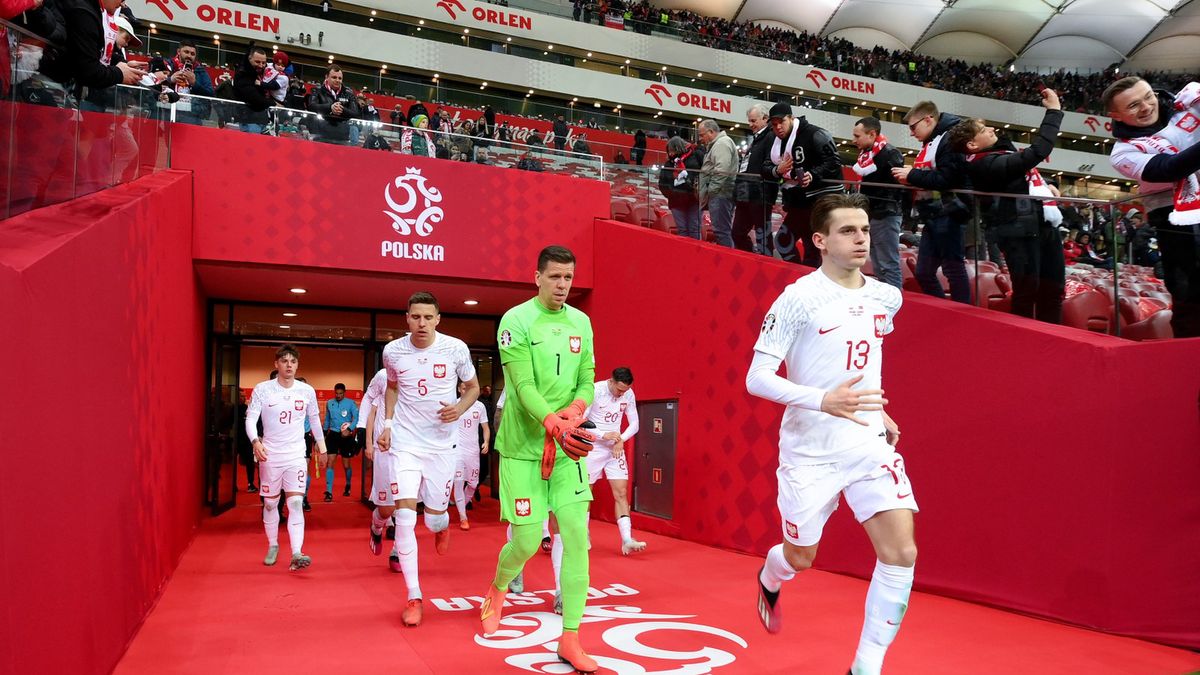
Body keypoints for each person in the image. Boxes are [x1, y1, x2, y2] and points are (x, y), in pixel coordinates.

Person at [746, 193, 915, 675]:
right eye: (847, 231)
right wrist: (825, 400)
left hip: (866, 444)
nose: (860, 238)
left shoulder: (887, 297)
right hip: (810, 450)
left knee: (901, 552)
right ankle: (770, 574)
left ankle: (865, 666)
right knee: (802, 557)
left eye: (864, 230)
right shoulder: (797, 298)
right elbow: (757, 378)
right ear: (819, 241)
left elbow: (864, 360)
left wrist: (875, 408)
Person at [480, 245, 598, 673]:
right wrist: (554, 421)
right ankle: (496, 589)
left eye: (568, 277)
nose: (562, 285)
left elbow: (587, 378)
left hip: (568, 449)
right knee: (528, 540)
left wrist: (577, 411)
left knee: (576, 537)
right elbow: (522, 384)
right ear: (537, 277)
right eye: (555, 277)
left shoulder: (581, 322)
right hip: (523, 449)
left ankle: (570, 637)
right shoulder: (515, 321)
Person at [379, 292, 480, 627]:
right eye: (415, 317)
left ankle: (442, 523)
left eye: (428, 317)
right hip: (405, 443)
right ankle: (414, 595)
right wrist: (389, 424)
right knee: (405, 517)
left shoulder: (456, 349)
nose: (421, 323)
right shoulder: (393, 351)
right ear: (406, 318)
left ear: (438, 319)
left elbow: (473, 387)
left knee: (433, 519)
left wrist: (460, 407)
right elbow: (391, 388)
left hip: (441, 447)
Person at [948, 87, 1066, 323]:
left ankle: (1055, 342)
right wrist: (1054, 111)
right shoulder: (982, 164)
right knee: (1027, 292)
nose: (992, 129)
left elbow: (1022, 173)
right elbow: (1035, 153)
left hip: (1042, 226)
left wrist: (1048, 184)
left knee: (1053, 291)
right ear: (972, 145)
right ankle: (1024, 347)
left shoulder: (998, 154)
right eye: (983, 129)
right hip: (1018, 234)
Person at [1105, 76, 1200, 337]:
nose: (1147, 107)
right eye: (1134, 105)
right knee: (1189, 295)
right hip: (1175, 220)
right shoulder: (1123, 152)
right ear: (1116, 115)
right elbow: (1170, 168)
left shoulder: (1189, 103)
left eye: (1148, 97)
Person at [245, 344, 329, 571]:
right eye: (284, 361)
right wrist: (255, 442)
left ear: (297, 365)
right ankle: (273, 544)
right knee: (271, 504)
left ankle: (297, 552)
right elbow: (250, 419)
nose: (289, 365)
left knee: (294, 502)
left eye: (293, 361)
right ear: (277, 364)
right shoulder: (263, 389)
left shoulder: (306, 391)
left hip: (296, 454)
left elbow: (314, 421)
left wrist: (322, 449)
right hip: (270, 455)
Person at [893, 101, 972, 304]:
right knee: (924, 272)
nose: (911, 133)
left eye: (913, 127)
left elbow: (947, 179)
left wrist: (912, 175)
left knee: (952, 269)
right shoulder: (934, 141)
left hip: (949, 212)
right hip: (934, 214)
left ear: (928, 119)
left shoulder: (950, 138)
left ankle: (961, 316)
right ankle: (945, 310)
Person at [760, 102, 844, 266]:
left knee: (811, 247)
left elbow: (834, 162)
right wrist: (778, 169)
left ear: (791, 118)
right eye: (774, 124)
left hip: (819, 201)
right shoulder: (775, 140)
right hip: (798, 202)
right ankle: (800, 276)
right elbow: (764, 167)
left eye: (781, 122)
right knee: (785, 242)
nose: (778, 127)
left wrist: (813, 175)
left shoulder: (815, 133)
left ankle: (808, 280)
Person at [583, 368, 644, 555]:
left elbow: (635, 423)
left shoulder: (628, 393)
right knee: (586, 493)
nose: (621, 394)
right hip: (593, 447)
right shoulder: (594, 390)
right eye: (619, 390)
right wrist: (603, 434)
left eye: (624, 391)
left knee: (621, 492)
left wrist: (620, 440)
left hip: (614, 448)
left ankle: (626, 539)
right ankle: (583, 533)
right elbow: (581, 421)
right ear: (611, 381)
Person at [851, 117, 906, 288]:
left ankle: (896, 300)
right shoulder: (867, 154)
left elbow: (897, 188)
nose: (854, 140)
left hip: (886, 214)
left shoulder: (890, 153)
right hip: (871, 214)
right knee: (877, 262)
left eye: (857, 136)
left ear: (872, 134)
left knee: (888, 263)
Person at [733, 103, 777, 255]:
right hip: (746, 192)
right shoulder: (757, 138)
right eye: (749, 121)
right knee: (737, 232)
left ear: (765, 119)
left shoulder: (771, 136)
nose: (750, 124)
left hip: (760, 193)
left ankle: (767, 265)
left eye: (753, 121)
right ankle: (751, 258)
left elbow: (769, 165)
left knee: (763, 235)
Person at [452, 381, 490, 531]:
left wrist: (486, 441)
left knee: (473, 484)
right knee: (459, 482)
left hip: (473, 451)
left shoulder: (479, 406)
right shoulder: (454, 404)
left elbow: (485, 427)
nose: (466, 391)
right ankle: (463, 517)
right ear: (459, 390)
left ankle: (462, 504)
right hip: (457, 451)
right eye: (463, 388)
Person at [149, 39, 213, 125]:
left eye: (192, 54)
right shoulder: (166, 65)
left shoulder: (201, 71)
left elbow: (211, 94)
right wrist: (170, 79)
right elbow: (151, 86)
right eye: (186, 52)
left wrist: (194, 83)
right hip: (165, 111)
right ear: (178, 51)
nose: (189, 56)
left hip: (191, 115)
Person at [698, 119, 738, 247]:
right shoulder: (719, 143)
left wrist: (711, 190)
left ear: (711, 132)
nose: (700, 138)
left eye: (701, 134)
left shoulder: (721, 143)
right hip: (721, 193)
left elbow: (722, 170)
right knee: (722, 231)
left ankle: (728, 262)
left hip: (721, 194)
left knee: (721, 232)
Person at [659, 136, 704, 240]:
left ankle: (696, 254)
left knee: (694, 228)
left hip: (694, 199)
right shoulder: (668, 164)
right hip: (677, 201)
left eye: (672, 150)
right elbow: (662, 184)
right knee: (682, 229)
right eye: (668, 151)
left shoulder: (696, 156)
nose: (670, 154)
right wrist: (673, 193)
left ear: (678, 148)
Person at [322, 383, 359, 500]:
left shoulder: (351, 403)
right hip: (332, 434)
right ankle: (329, 492)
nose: (338, 395)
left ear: (344, 392)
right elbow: (327, 420)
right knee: (330, 462)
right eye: (336, 393)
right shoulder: (329, 403)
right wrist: (323, 435)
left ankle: (348, 484)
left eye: (340, 394)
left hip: (346, 436)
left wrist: (349, 429)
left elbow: (357, 418)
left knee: (346, 464)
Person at [306, 65, 359, 144]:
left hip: (342, 136)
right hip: (321, 134)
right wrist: (330, 107)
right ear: (327, 77)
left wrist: (342, 110)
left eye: (340, 78)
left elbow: (355, 113)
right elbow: (311, 106)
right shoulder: (317, 90)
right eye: (334, 77)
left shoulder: (349, 93)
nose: (337, 80)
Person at [232, 46, 273, 134]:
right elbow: (256, 99)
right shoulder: (242, 74)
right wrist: (274, 103)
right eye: (257, 62)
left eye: (263, 63)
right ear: (249, 59)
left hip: (260, 120)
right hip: (249, 120)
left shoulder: (260, 74)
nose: (261, 65)